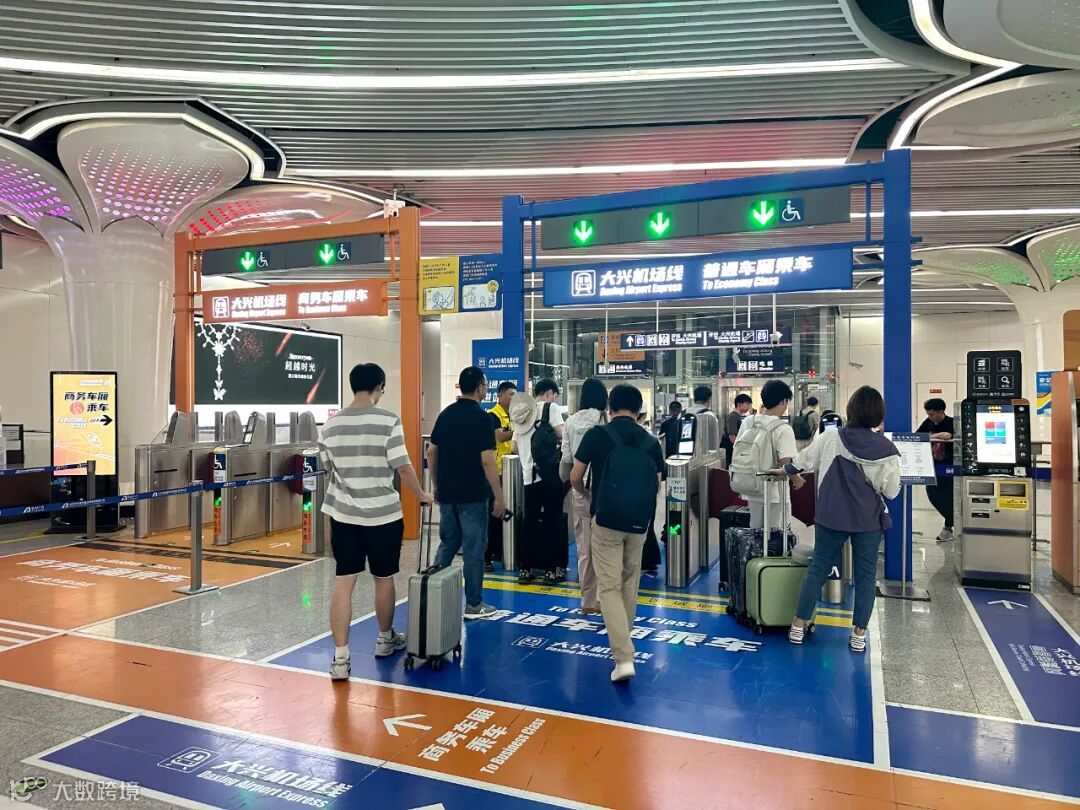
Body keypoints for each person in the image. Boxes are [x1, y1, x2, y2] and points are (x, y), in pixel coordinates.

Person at [319, 363, 433, 679]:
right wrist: (422, 494)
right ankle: (384, 639)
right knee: (383, 578)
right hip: (383, 515)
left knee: (344, 581)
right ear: (379, 387)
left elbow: (328, 468)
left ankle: (340, 659)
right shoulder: (388, 420)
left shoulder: (331, 425)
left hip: (343, 515)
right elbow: (403, 467)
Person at [781, 386, 901, 653]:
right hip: (868, 520)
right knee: (865, 577)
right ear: (879, 414)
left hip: (831, 515)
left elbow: (803, 461)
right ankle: (858, 634)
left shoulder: (831, 436)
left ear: (851, 410)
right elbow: (892, 491)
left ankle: (798, 626)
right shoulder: (887, 449)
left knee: (817, 570)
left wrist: (786, 469)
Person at [571, 384, 665, 683]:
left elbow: (575, 476)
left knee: (609, 587)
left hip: (606, 520)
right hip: (639, 523)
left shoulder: (597, 435)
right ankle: (625, 642)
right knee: (628, 583)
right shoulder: (651, 441)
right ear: (639, 410)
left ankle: (623, 658)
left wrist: (587, 494)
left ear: (609, 408)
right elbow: (657, 482)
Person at [428, 366, 506, 620]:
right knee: (473, 550)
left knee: (448, 543)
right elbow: (487, 460)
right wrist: (499, 496)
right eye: (485, 385)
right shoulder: (482, 419)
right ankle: (474, 604)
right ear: (480, 388)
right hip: (473, 495)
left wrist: (436, 485)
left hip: (448, 493)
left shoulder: (446, 415)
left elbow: (431, 451)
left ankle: (431, 596)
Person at [560, 378, 608, 612]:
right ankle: (604, 598)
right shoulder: (606, 420)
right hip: (605, 490)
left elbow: (566, 461)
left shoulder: (570, 421)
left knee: (584, 547)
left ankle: (588, 601)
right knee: (607, 544)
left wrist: (573, 485)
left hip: (579, 488)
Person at [510, 391, 566, 585]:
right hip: (549, 475)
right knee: (553, 521)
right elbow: (562, 434)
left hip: (528, 477)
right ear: (549, 393)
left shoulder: (520, 414)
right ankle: (551, 571)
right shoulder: (551, 408)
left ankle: (525, 570)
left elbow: (513, 448)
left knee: (529, 522)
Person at [733, 380, 801, 530]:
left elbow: (738, 450)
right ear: (783, 401)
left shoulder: (749, 422)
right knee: (776, 533)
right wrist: (797, 479)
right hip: (775, 492)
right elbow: (785, 461)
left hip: (751, 487)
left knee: (755, 531)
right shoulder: (783, 428)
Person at [485, 381, 517, 571]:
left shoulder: (512, 416)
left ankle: (498, 549)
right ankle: (486, 556)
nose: (513, 398)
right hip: (495, 472)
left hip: (509, 471)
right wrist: (520, 430)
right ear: (501, 395)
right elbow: (500, 437)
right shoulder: (493, 415)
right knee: (492, 514)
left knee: (503, 514)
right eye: (511, 394)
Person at [917, 398, 956, 542]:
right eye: (928, 414)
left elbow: (950, 436)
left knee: (949, 496)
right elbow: (918, 436)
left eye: (932, 414)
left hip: (949, 466)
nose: (930, 417)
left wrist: (936, 436)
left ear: (941, 412)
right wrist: (937, 436)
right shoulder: (928, 423)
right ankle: (952, 520)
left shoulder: (952, 423)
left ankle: (948, 527)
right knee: (933, 494)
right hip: (932, 465)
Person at [637, 405, 663, 576]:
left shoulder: (617, 437)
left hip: (623, 491)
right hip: (647, 489)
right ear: (644, 415)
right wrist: (656, 489)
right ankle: (648, 561)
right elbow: (659, 471)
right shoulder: (652, 439)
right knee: (647, 525)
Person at [685, 385, 721, 453]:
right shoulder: (710, 415)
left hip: (684, 453)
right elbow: (716, 439)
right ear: (708, 399)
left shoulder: (683, 414)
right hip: (704, 454)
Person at [723, 393, 753, 466]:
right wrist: (740, 449)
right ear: (739, 404)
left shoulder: (737, 416)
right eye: (747, 404)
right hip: (731, 451)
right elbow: (732, 436)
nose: (749, 406)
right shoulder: (733, 417)